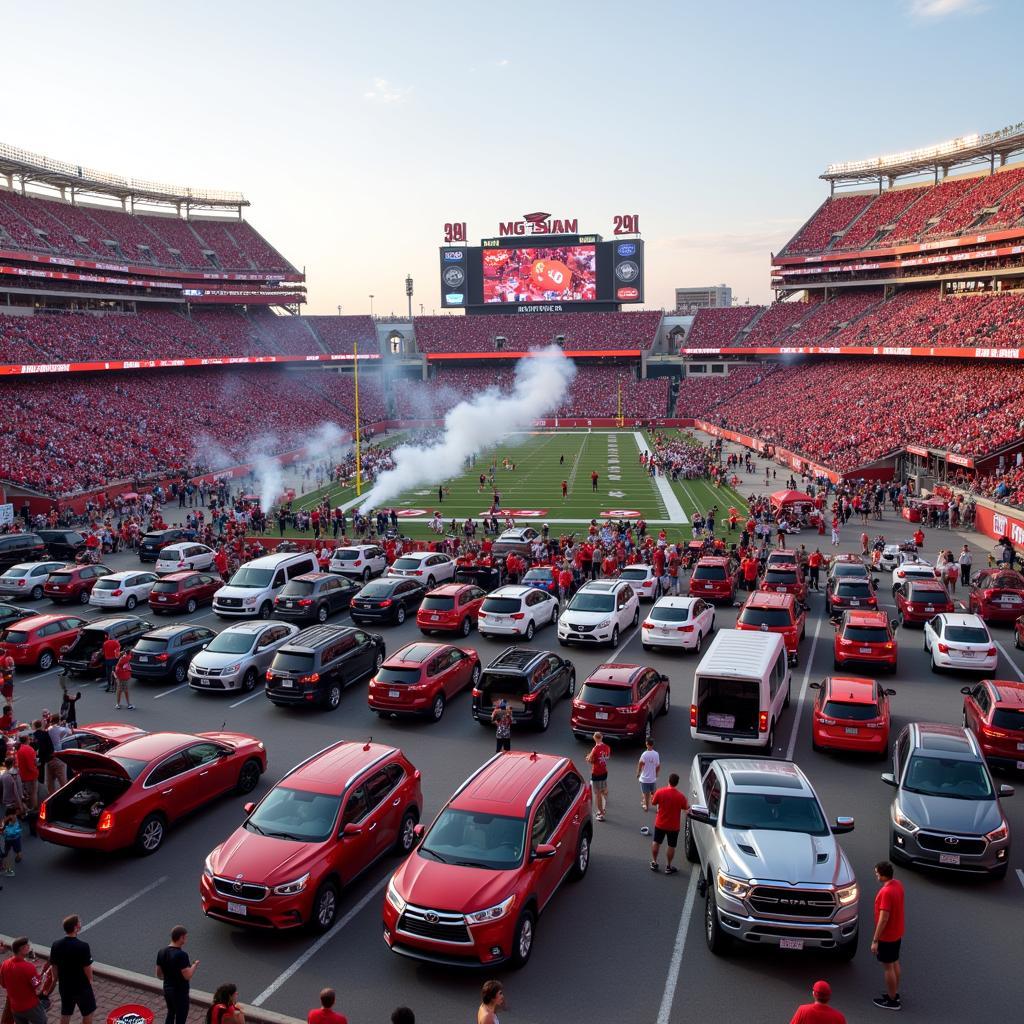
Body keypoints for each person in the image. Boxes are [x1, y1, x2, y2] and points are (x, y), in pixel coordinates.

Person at [871, 861, 905, 1011]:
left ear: (883, 875)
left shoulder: (886, 892)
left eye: (877, 873)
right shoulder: (898, 885)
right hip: (897, 932)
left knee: (888, 968)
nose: (876, 875)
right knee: (895, 962)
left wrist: (875, 940)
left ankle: (892, 1000)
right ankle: (894, 992)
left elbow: (883, 918)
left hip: (887, 936)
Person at [49, 915, 95, 1024]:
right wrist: (90, 981)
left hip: (65, 986)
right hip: (81, 986)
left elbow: (53, 966)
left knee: (66, 1013)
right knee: (88, 1012)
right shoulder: (83, 946)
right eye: (79, 922)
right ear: (75, 928)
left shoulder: (56, 945)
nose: (80, 923)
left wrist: (56, 979)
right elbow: (87, 967)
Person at [1, 937, 52, 1024]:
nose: (29, 947)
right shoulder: (28, 967)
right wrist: (42, 978)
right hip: (31, 1006)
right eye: (27, 946)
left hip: (15, 1006)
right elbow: (38, 987)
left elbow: (3, 984)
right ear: (21, 950)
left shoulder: (5, 964)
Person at [155, 925, 198, 1024]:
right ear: (181, 937)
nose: (186, 939)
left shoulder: (161, 952)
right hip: (180, 993)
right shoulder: (182, 955)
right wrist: (194, 965)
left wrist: (169, 977)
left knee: (171, 1013)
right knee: (181, 1017)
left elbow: (158, 974)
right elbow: (187, 976)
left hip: (167, 989)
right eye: (185, 937)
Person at [650, 773, 688, 874]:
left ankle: (654, 862)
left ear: (669, 781)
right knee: (671, 845)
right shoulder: (680, 796)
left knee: (656, 842)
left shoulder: (660, 792)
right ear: (677, 783)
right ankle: (668, 866)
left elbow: (653, 803)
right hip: (673, 826)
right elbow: (686, 808)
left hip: (660, 823)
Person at [586, 732, 611, 821]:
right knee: (603, 787)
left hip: (596, 773)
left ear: (594, 738)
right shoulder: (607, 747)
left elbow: (590, 760)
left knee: (597, 794)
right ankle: (605, 794)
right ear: (602, 737)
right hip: (604, 771)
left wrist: (588, 757)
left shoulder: (595, 749)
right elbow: (607, 757)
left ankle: (601, 812)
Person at [636, 737, 660, 812]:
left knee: (646, 794)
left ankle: (646, 806)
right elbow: (658, 765)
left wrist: (638, 772)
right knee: (654, 793)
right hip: (652, 779)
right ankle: (658, 807)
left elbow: (640, 763)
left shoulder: (644, 754)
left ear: (647, 744)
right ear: (653, 745)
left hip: (644, 779)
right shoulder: (656, 754)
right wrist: (656, 774)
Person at [2, 806, 24, 874]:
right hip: (13, 838)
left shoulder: (10, 819)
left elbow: (3, 825)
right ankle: (17, 857)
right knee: (17, 850)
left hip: (10, 838)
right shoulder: (13, 818)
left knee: (11, 850)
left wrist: (8, 817)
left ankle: (16, 856)